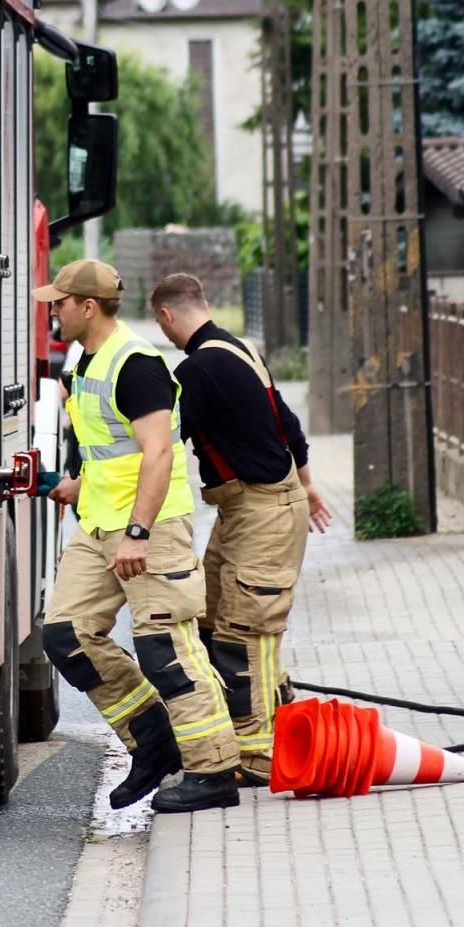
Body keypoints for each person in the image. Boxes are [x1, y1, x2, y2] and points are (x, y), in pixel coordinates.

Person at [35, 259, 242, 814]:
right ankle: (153, 744)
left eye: (59, 301)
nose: (51, 310)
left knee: (166, 648)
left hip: (148, 529)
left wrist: (137, 533)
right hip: (100, 520)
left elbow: (158, 453)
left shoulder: (136, 364)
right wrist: (77, 485)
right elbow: (113, 451)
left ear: (86, 306)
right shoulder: (87, 360)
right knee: (66, 636)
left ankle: (213, 770)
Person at [148, 272, 332, 787]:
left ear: (166, 316)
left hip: (263, 513)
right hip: (249, 509)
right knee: (211, 619)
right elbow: (288, 423)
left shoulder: (198, 369)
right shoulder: (240, 350)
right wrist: (308, 485)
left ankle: (258, 755)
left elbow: (163, 444)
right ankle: (275, 721)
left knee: (243, 635)